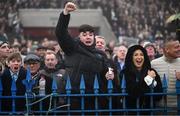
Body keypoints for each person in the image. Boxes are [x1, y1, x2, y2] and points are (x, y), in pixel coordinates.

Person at [55, 2, 114, 113]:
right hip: (72, 98)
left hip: (92, 99)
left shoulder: (101, 55)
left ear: (94, 37)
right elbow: (60, 33)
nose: (88, 37)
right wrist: (65, 13)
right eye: (84, 34)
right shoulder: (72, 47)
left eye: (90, 35)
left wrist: (109, 74)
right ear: (79, 37)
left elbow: (106, 73)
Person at [121, 45, 162, 114]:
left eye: (141, 55)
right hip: (131, 112)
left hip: (149, 112)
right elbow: (134, 93)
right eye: (136, 55)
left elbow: (159, 95)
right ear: (131, 57)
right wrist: (148, 79)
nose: (139, 57)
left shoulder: (151, 71)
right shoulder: (125, 73)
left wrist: (153, 83)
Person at [151, 36, 180, 112]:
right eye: (176, 47)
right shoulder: (153, 64)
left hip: (178, 109)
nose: (179, 49)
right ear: (167, 49)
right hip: (158, 110)